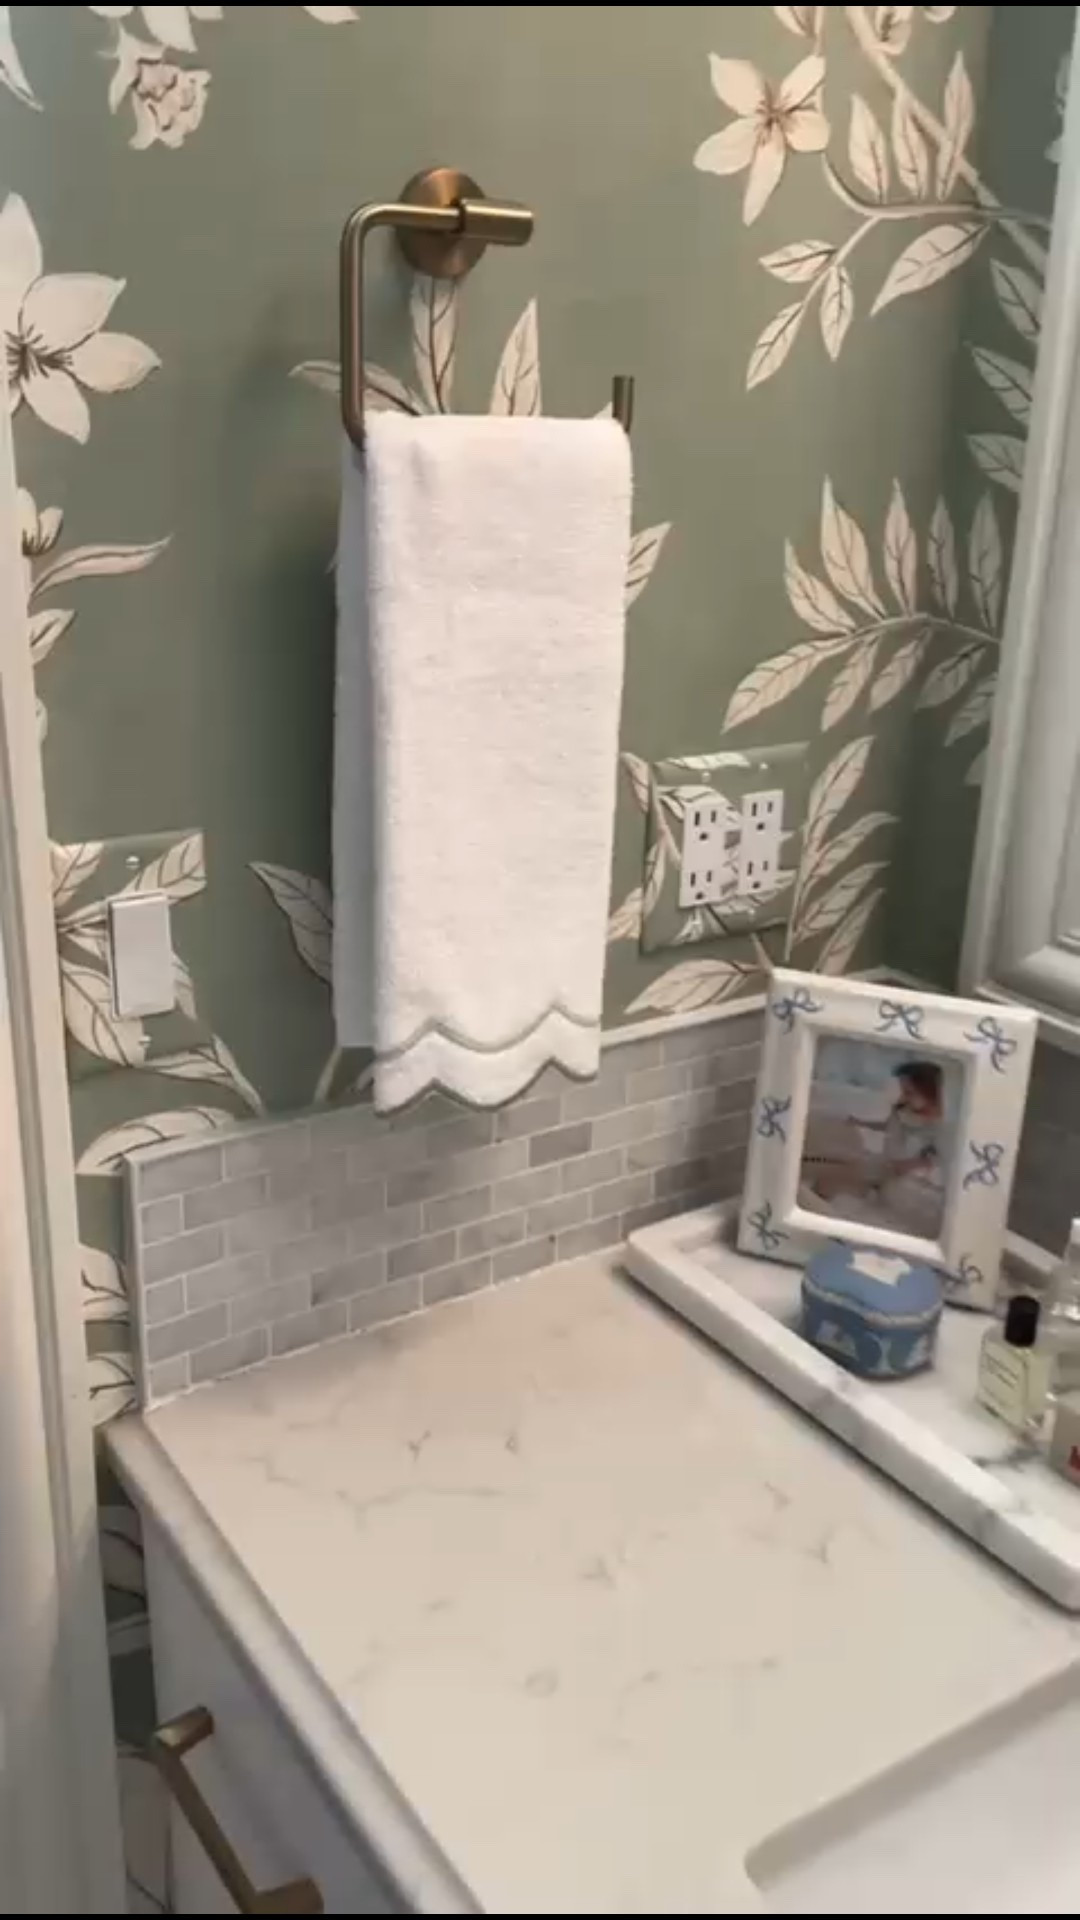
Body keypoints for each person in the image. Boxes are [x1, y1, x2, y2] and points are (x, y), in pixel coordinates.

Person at [807, 1059, 945, 1210]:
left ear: (929, 1092)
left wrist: (907, 1166)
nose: (904, 1097)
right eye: (903, 1091)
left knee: (853, 1178)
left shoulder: (937, 1125)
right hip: (888, 1163)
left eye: (909, 1093)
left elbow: (932, 1158)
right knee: (836, 1167)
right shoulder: (902, 1110)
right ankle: (821, 1198)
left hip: (904, 1173)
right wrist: (861, 1123)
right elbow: (889, 1127)